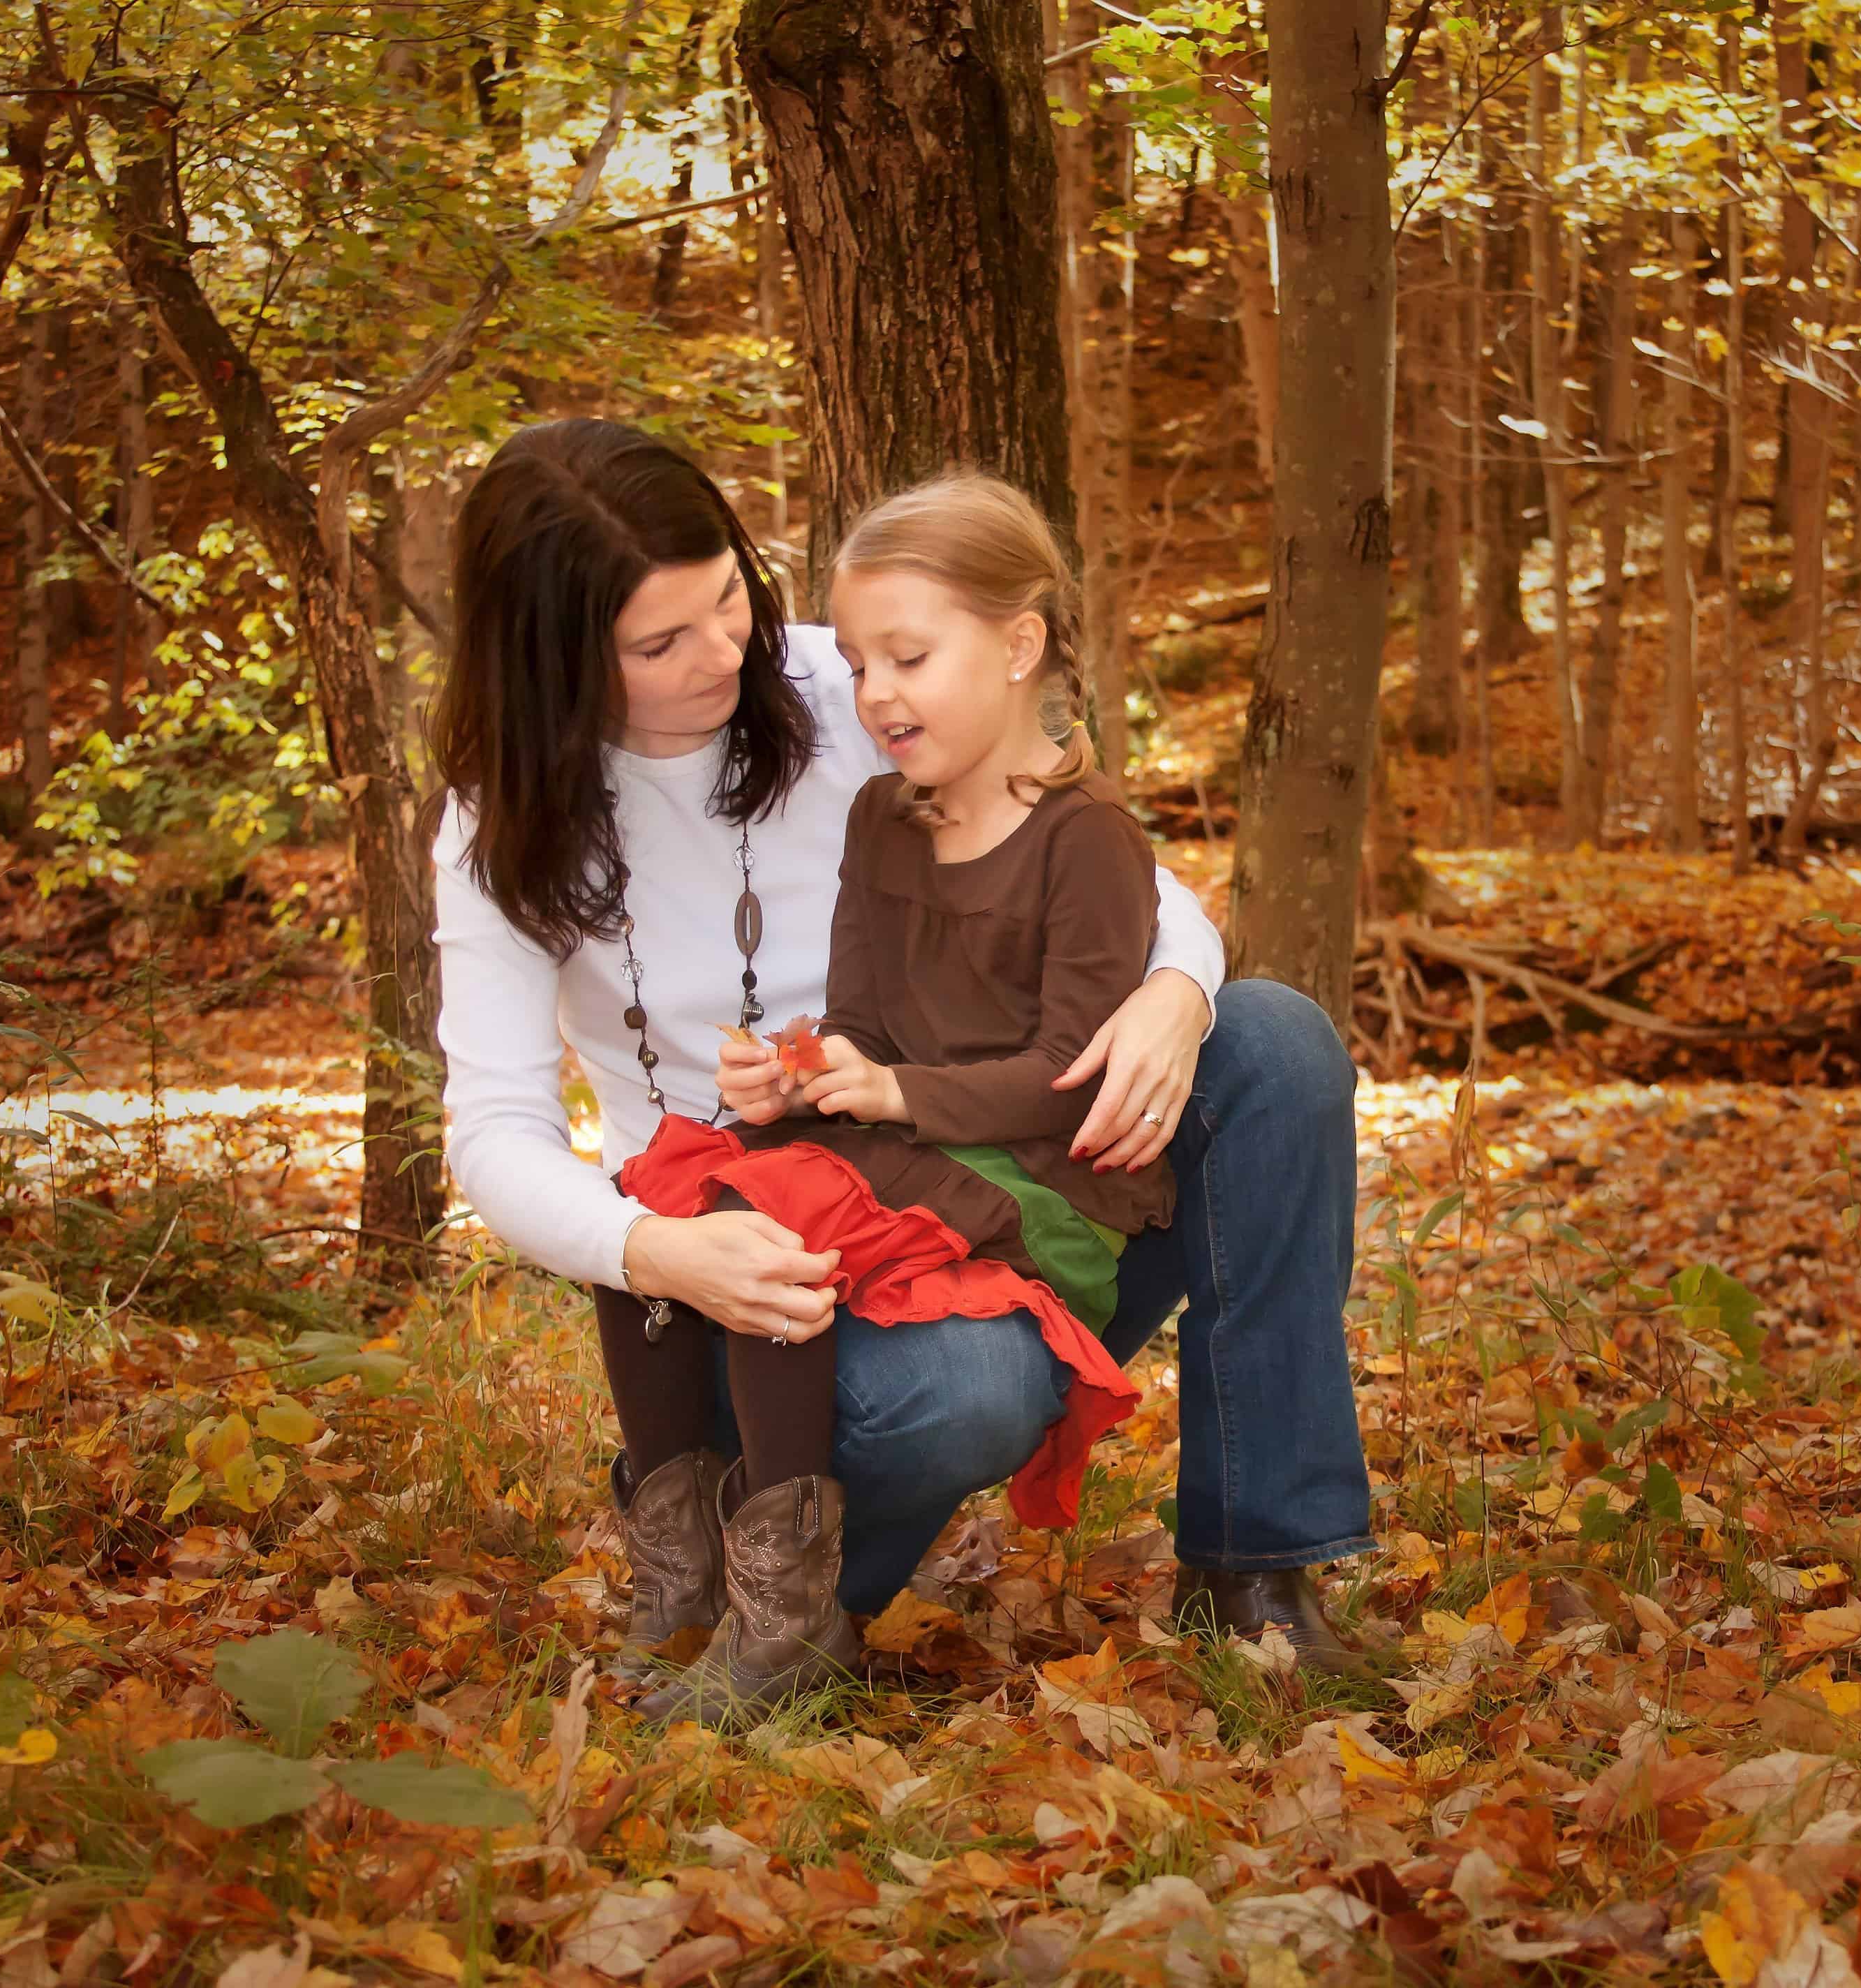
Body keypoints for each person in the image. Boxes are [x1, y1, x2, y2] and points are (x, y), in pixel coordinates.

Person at [429, 418, 1374, 1696]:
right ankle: (766, 1575)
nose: (725, 656)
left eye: (729, 601)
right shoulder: (505, 824)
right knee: (958, 1395)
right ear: (554, 664)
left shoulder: (850, 682)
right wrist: (652, 1250)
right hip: (759, 1263)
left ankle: (1255, 1568)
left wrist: (1172, 991)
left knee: (1270, 1044)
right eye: (661, 644)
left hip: (966, 1163)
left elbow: (1109, 870)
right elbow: (490, 1126)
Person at [615, 474, 1173, 1725]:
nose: (872, 695)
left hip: (1036, 1183)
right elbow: (861, 1017)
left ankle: (785, 1614)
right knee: (674, 1192)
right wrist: (803, 1067)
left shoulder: (1087, 841)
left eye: (907, 658)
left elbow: (1067, 1077)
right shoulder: (883, 817)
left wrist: (888, 1092)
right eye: (860, 663)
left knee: (779, 1208)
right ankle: (679, 1584)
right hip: (906, 1134)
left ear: (1020, 644)